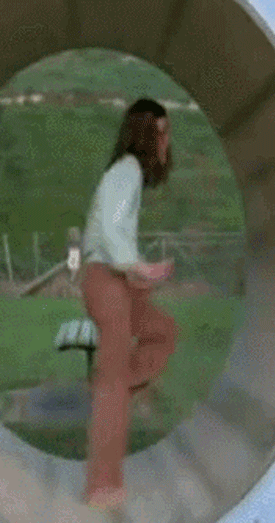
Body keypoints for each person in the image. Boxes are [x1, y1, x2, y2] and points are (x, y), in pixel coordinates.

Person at [80, 98, 178, 509]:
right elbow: (110, 228)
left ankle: (120, 384)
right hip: (106, 278)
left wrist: (137, 272)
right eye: (163, 131)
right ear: (146, 131)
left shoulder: (126, 172)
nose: (167, 141)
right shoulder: (128, 170)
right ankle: (102, 486)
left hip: (115, 278)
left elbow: (112, 228)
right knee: (113, 383)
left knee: (163, 332)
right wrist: (138, 266)